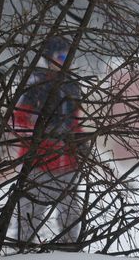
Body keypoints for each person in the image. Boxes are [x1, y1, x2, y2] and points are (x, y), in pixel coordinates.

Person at [10, 35, 88, 247]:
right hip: (38, 165)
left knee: (71, 217)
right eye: (61, 57)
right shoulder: (34, 85)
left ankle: (69, 254)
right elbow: (18, 122)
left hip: (67, 165)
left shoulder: (71, 86)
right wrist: (42, 135)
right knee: (29, 217)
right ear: (48, 58)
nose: (64, 62)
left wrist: (80, 142)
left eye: (67, 57)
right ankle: (19, 255)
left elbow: (74, 121)